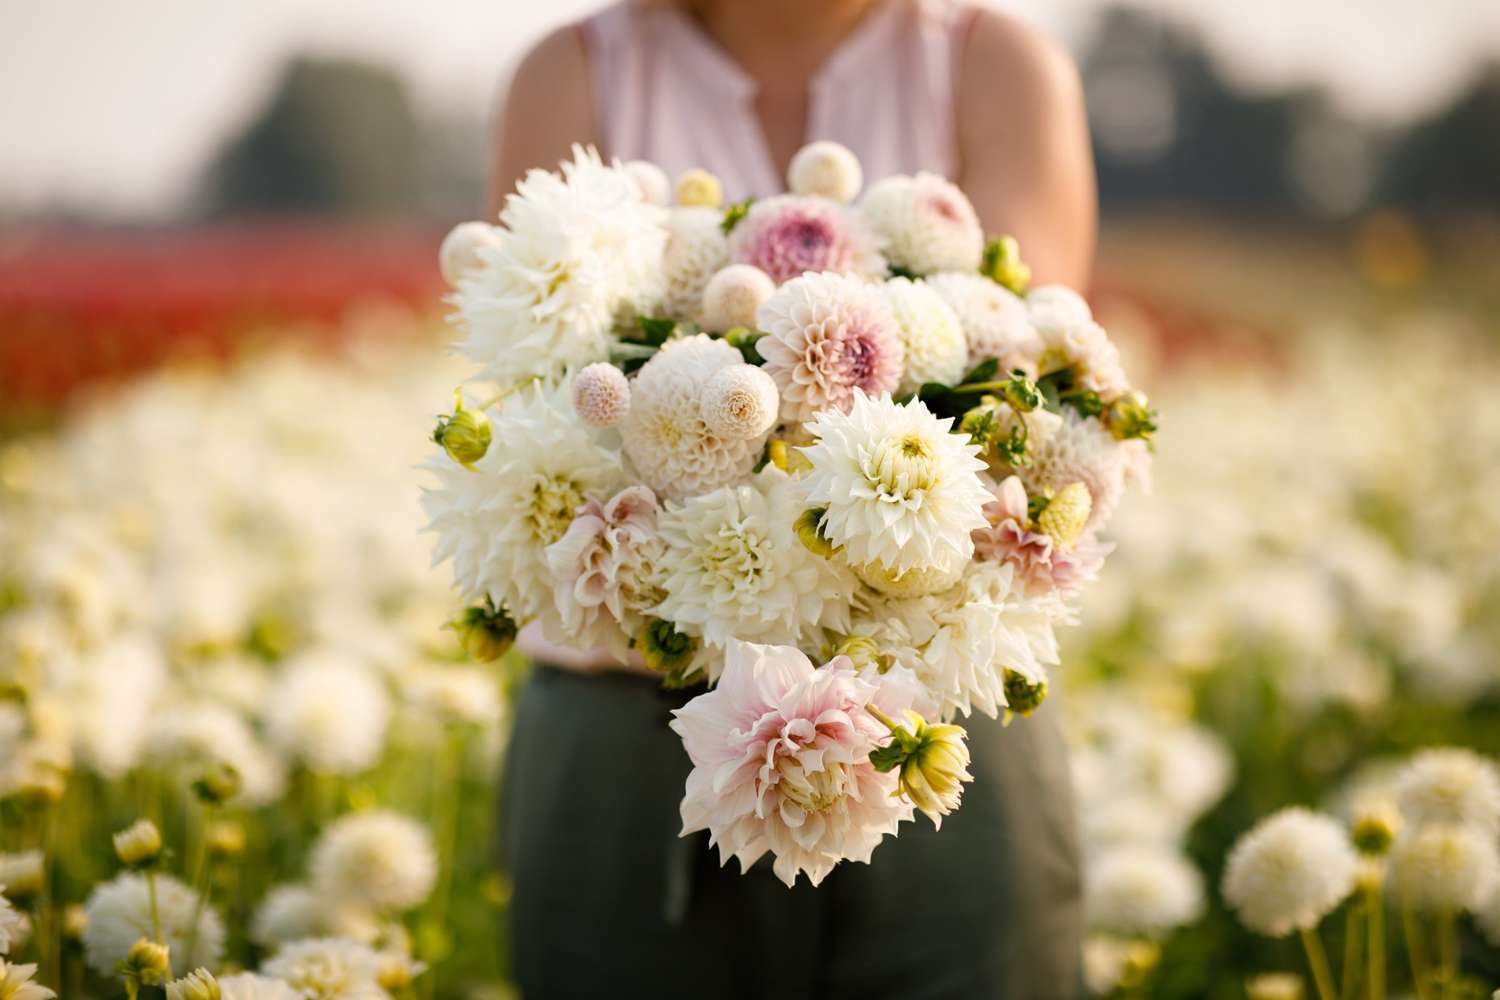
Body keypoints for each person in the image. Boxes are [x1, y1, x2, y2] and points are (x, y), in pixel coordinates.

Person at [490, 1, 1096, 996]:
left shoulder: (995, 65)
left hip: (936, 713)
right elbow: (532, 378)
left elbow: (1020, 390)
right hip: (628, 715)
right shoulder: (574, 71)